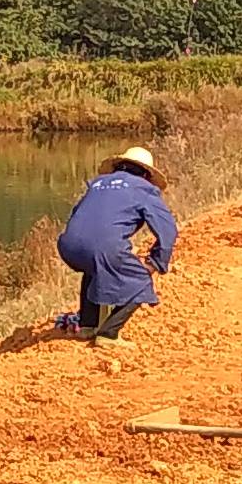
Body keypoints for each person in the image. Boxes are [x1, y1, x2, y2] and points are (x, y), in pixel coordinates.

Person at [54, 146, 178, 341]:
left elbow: (79, 217)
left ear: (120, 166)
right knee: (140, 282)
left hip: (68, 246)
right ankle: (108, 334)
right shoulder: (144, 189)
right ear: (146, 174)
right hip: (103, 248)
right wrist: (156, 262)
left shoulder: (98, 183)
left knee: (94, 267)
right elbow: (168, 230)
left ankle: (87, 325)